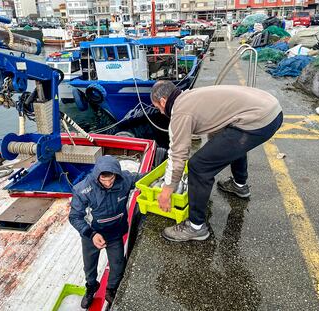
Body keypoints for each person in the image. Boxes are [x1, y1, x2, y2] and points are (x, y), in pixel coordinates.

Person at [150, 81, 283, 242]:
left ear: (163, 101)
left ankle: (195, 227)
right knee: (234, 143)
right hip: (271, 109)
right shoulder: (190, 96)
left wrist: (166, 191)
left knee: (198, 166)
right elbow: (218, 125)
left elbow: (178, 156)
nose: (161, 112)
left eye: (158, 107)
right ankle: (239, 186)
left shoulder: (180, 112)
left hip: (259, 120)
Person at [69, 155, 142, 308]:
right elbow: (75, 217)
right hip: (92, 235)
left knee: (118, 265)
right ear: (97, 176)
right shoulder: (82, 190)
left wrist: (169, 174)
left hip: (115, 233)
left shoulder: (126, 180)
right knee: (89, 265)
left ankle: (111, 288)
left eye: (111, 179)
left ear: (117, 174)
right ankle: (91, 287)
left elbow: (146, 177)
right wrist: (91, 234)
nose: (108, 183)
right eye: (104, 180)